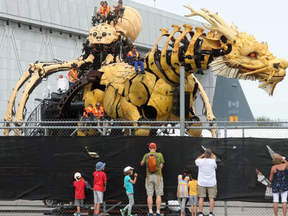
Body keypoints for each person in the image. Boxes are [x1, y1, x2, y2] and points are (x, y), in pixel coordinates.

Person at [140, 142, 164, 216]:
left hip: (149, 177)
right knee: (158, 194)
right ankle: (158, 211)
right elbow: (162, 165)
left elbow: (141, 164)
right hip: (158, 177)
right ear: (156, 148)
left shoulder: (146, 155)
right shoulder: (159, 155)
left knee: (149, 195)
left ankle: (150, 211)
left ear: (149, 148)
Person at [195, 149, 217, 216]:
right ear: (211, 154)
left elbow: (196, 160)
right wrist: (212, 156)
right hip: (211, 182)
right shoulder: (213, 161)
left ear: (204, 154)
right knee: (211, 198)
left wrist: (202, 155)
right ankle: (210, 213)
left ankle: (201, 213)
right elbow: (214, 160)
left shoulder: (200, 161)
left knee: (201, 197)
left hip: (202, 182)